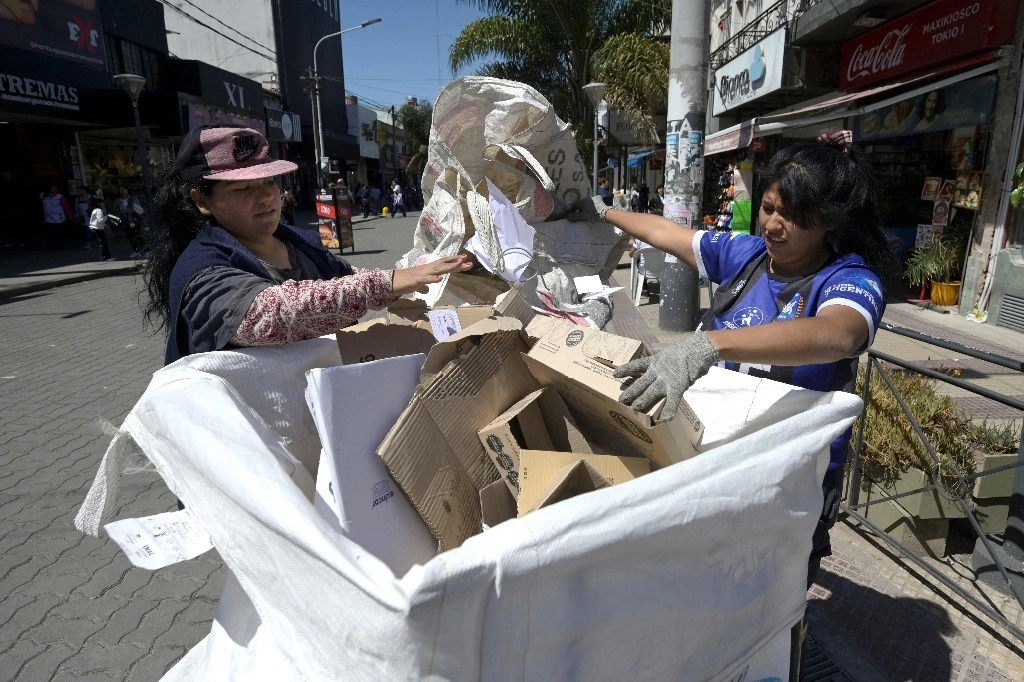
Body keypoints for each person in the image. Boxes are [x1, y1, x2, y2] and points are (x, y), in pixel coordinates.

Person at [566, 129, 897, 585]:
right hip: (717, 467)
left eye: (794, 216)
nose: (773, 225)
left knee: (774, 605)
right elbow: (669, 234)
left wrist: (711, 344)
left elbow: (841, 334)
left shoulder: (848, 278)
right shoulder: (745, 255)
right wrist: (607, 212)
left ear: (830, 223)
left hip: (790, 482)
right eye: (769, 208)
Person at [141, 125, 471, 366]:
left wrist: (411, 275)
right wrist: (388, 282)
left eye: (268, 182)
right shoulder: (202, 267)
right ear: (202, 200)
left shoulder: (295, 240)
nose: (266, 198)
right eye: (241, 190)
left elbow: (342, 276)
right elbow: (272, 314)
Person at [115, 186, 147, 258]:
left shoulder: (132, 198)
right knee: (130, 236)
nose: (122, 191)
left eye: (124, 189)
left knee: (138, 234)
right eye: (120, 190)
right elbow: (116, 209)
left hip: (134, 218)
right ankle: (135, 250)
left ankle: (146, 250)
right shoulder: (119, 200)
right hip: (125, 219)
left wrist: (127, 210)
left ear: (127, 190)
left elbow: (138, 208)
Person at [88, 195, 115, 262]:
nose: (104, 204)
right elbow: (100, 220)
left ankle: (108, 256)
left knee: (103, 243)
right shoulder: (99, 210)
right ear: (99, 204)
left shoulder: (95, 210)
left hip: (97, 227)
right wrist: (106, 217)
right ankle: (104, 257)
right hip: (97, 228)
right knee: (102, 243)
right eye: (102, 203)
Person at [75, 186, 95, 250]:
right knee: (87, 230)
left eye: (81, 190)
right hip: (84, 217)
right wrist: (77, 215)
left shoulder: (92, 197)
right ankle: (89, 244)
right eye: (79, 190)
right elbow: (76, 208)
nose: (80, 192)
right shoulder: (78, 199)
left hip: (93, 216)